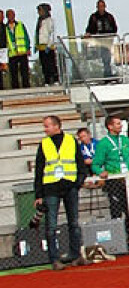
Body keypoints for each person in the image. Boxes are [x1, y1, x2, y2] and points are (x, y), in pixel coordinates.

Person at [91, 113, 129, 244]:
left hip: (127, 181)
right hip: (114, 182)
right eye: (118, 123)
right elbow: (95, 164)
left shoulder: (124, 140)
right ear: (110, 126)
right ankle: (118, 238)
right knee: (116, 211)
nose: (121, 126)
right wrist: (101, 172)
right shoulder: (103, 143)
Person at [33, 115, 83, 269]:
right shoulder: (44, 143)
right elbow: (39, 170)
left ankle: (75, 255)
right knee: (51, 226)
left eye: (47, 126)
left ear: (57, 126)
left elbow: (79, 162)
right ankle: (54, 259)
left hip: (69, 185)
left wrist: (77, 183)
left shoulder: (71, 140)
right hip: (51, 187)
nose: (45, 129)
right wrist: (38, 194)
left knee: (74, 223)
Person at [84, 0, 117, 78]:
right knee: (102, 58)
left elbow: (114, 28)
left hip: (107, 41)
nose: (101, 8)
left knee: (107, 58)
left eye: (102, 6)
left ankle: (107, 74)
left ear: (105, 7)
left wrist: (110, 35)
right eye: (99, 6)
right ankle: (104, 75)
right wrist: (89, 33)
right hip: (98, 41)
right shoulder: (93, 17)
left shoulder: (109, 17)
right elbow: (89, 28)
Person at [6, 9, 32, 89]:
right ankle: (15, 88)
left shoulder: (20, 25)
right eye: (10, 15)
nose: (12, 17)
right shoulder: (5, 27)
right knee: (13, 73)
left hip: (22, 52)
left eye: (13, 15)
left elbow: (26, 37)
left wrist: (28, 48)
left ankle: (26, 87)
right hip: (12, 53)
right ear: (7, 17)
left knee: (24, 71)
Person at [35, 3, 57, 86]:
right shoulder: (40, 21)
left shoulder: (49, 20)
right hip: (41, 46)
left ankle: (55, 79)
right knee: (44, 65)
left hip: (48, 46)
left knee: (51, 64)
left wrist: (49, 45)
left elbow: (52, 34)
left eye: (40, 10)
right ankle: (47, 80)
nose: (39, 12)